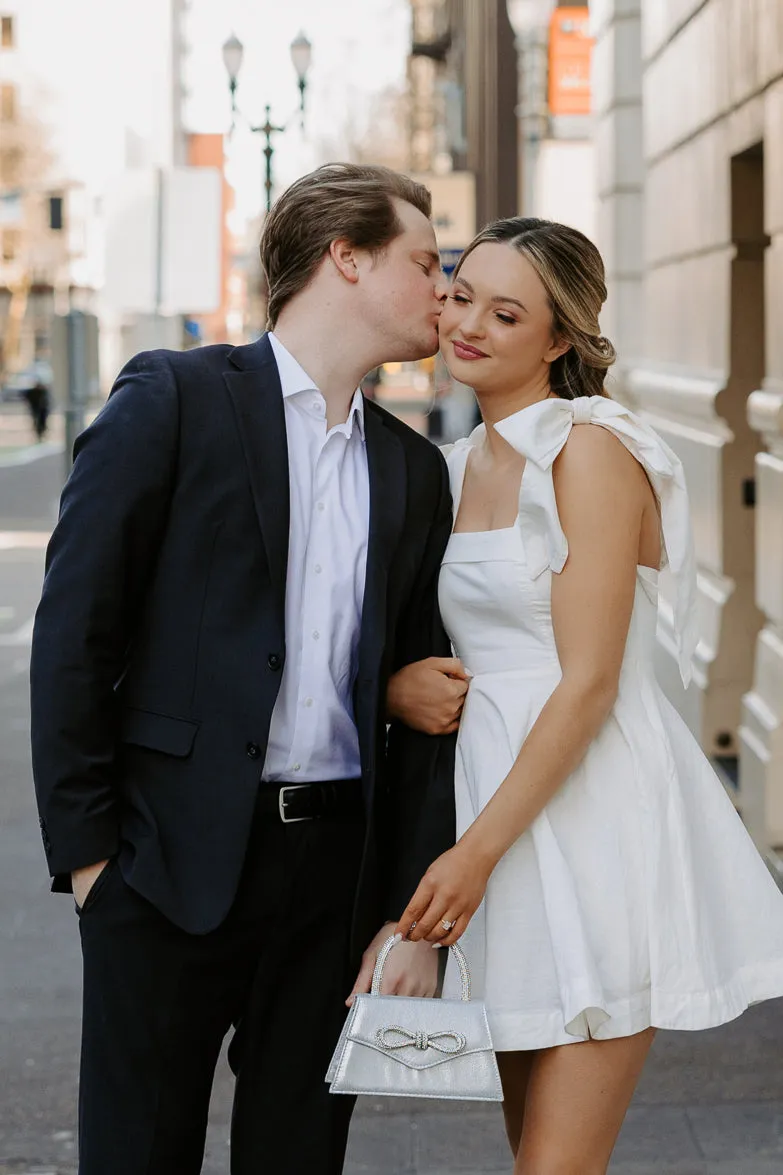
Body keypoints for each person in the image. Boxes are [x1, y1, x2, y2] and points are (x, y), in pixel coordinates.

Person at [29, 163, 469, 1175]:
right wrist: (94, 859)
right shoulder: (175, 398)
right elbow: (75, 630)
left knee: (299, 1157)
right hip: (164, 866)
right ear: (344, 257)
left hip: (332, 882)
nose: (442, 289)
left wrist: (405, 915)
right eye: (424, 261)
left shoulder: (412, 469)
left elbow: (422, 704)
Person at [390, 217, 783, 1174]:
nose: (467, 323)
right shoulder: (452, 466)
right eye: (460, 293)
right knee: (534, 1149)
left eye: (506, 311)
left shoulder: (590, 448)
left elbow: (592, 679)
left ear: (558, 338)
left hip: (589, 818)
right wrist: (399, 687)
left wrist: (470, 855)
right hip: (497, 822)